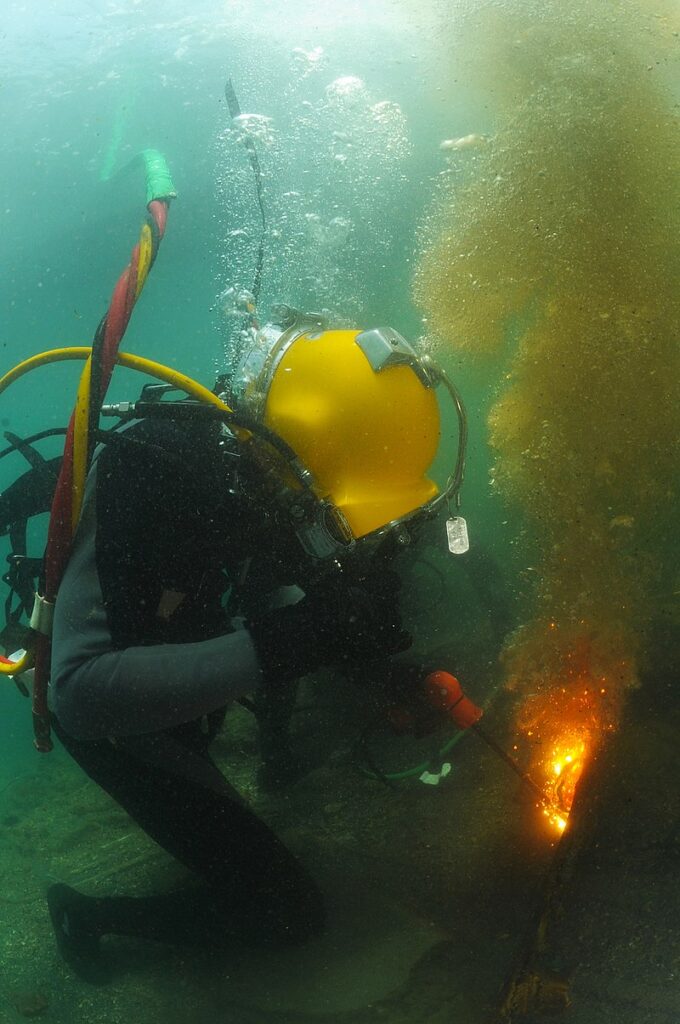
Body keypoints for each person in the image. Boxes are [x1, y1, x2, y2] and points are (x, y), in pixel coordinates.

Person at [44, 307, 465, 982]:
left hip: (184, 676)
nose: (325, 526)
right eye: (325, 504)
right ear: (292, 452)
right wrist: (302, 639)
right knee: (288, 913)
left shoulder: (265, 475)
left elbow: (278, 598)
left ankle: (254, 775)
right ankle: (87, 916)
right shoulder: (151, 472)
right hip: (118, 725)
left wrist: (373, 665)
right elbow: (78, 696)